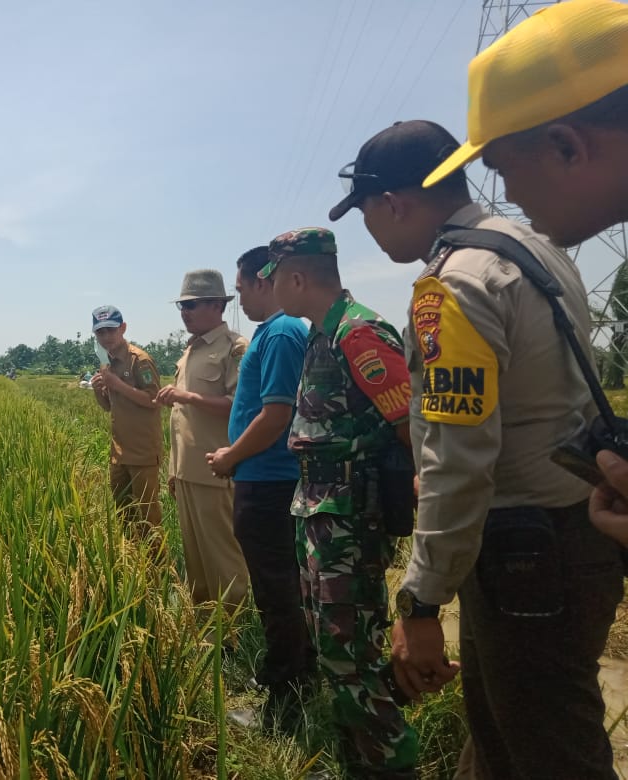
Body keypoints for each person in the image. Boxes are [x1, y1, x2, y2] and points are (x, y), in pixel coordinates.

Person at [331, 118, 622, 779]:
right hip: (574, 529)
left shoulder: (454, 285)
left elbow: (460, 462)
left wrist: (423, 604)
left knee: (550, 749)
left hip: (527, 551)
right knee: (503, 731)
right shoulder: (531, 247)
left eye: (367, 216)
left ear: (392, 204)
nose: (372, 232)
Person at [420, 0, 628, 553]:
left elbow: (459, 460)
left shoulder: (465, 275)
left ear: (566, 146)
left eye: (505, 169)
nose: (507, 197)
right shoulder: (538, 255)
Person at [262, 227, 418, 778]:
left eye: (274, 278)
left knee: (354, 655)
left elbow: (414, 433)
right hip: (322, 513)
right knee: (335, 648)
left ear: (297, 278)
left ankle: (389, 763)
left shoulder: (359, 334)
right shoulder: (320, 334)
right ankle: (359, 761)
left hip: (350, 519)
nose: (271, 288)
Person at [205, 246, 314, 732]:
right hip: (262, 480)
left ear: (263, 281)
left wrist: (231, 456)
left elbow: (276, 415)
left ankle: (282, 701)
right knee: (281, 587)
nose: (239, 300)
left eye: (242, 288)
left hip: (268, 483)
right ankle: (295, 681)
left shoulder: (284, 332)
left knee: (277, 591)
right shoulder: (271, 333)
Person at [155, 270, 249, 621]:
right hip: (186, 471)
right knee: (195, 557)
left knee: (222, 554)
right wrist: (172, 469)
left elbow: (240, 405)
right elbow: (180, 419)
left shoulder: (235, 349)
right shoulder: (190, 350)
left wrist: (188, 395)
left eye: (192, 305)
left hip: (216, 470)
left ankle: (232, 629)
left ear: (217, 305)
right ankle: (205, 623)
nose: (185, 312)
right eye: (182, 305)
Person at [89, 305, 164, 540]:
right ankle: (132, 562)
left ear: (123, 328)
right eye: (101, 333)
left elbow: (154, 399)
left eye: (111, 330)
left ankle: (157, 569)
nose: (106, 337)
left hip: (142, 452)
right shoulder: (106, 364)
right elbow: (108, 406)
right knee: (124, 514)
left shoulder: (139, 360)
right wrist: (98, 389)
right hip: (119, 453)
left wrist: (117, 384)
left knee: (147, 517)